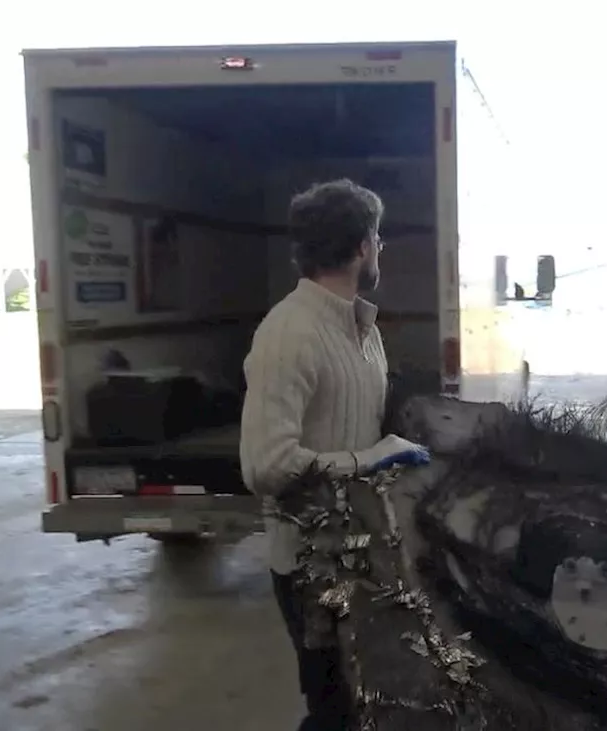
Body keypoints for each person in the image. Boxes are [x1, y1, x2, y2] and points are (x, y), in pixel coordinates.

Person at [240, 178, 428, 731]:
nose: (382, 249)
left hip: (364, 556)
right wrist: (373, 458)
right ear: (362, 246)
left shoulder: (361, 328)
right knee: (334, 710)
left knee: (367, 703)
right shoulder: (288, 334)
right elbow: (265, 465)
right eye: (378, 237)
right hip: (308, 567)